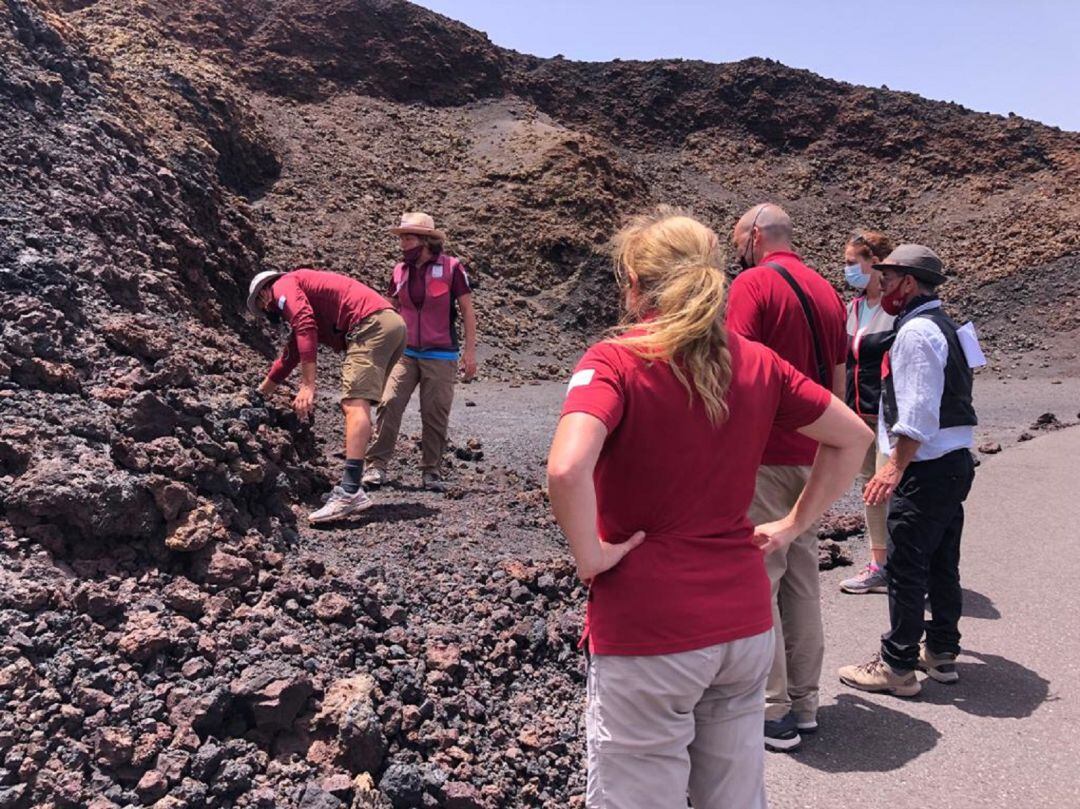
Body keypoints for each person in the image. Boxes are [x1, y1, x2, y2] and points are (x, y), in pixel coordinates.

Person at [547, 208, 871, 809]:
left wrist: (591, 556)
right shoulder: (758, 362)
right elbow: (852, 435)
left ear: (637, 285)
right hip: (743, 628)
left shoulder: (614, 360)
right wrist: (796, 524)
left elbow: (566, 469)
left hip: (649, 630)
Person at [726, 203, 849, 751]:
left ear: (755, 236)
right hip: (815, 453)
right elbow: (841, 377)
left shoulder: (752, 285)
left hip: (766, 454)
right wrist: (830, 442)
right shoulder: (827, 291)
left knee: (761, 576)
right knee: (802, 578)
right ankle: (806, 702)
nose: (737, 253)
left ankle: (772, 711)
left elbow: (735, 365)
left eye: (738, 242)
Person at [839, 244, 978, 696]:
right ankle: (941, 653)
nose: (882, 285)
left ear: (909, 284)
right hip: (954, 463)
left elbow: (917, 411)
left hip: (928, 466)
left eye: (889, 277)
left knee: (905, 566)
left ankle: (896, 665)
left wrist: (892, 467)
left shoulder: (916, 332)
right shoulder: (947, 326)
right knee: (942, 561)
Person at [248, 267, 406, 523]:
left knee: (355, 404)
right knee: (356, 403)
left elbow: (304, 323)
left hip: (370, 326)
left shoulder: (283, 286)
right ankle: (353, 487)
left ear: (265, 291)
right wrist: (259, 394)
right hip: (391, 325)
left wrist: (308, 385)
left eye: (261, 304)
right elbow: (291, 354)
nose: (267, 311)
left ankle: (350, 491)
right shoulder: (304, 293)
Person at [363, 212, 477, 492]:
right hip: (406, 352)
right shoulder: (399, 270)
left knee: (434, 412)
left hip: (441, 355)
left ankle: (431, 470)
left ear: (426, 240)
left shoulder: (451, 268)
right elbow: (388, 310)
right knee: (389, 402)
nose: (403, 243)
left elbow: (467, 312)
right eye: (401, 238)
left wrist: (470, 352)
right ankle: (376, 466)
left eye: (409, 237)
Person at [838, 231, 897, 595]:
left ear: (874, 262)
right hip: (859, 416)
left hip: (889, 416)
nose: (846, 270)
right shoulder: (854, 308)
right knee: (869, 490)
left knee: (891, 489)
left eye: (850, 262)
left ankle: (906, 562)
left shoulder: (896, 310)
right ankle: (880, 564)